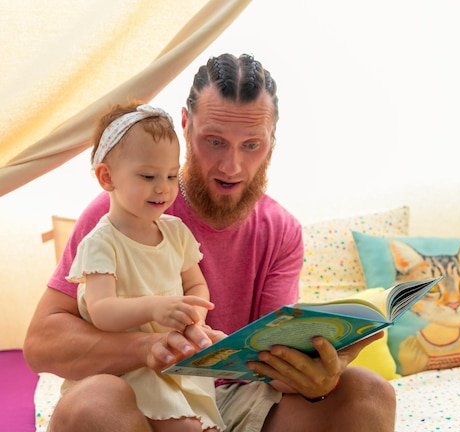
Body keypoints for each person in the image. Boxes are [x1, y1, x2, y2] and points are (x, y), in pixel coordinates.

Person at [24, 53, 397, 432]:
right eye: (215, 141)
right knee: (89, 404)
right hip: (143, 398)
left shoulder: (280, 230)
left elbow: (270, 365)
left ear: (272, 141)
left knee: (369, 392)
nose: (231, 166)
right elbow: (42, 344)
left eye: (251, 145)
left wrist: (316, 377)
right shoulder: (123, 216)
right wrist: (149, 347)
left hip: (237, 399)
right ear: (186, 127)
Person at [62, 102, 225, 431]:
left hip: (173, 362)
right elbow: (103, 310)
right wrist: (155, 308)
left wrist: (193, 319)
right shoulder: (101, 243)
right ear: (107, 177)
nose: (164, 187)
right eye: (148, 176)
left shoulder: (175, 232)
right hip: (126, 369)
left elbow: (195, 286)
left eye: (170, 175)